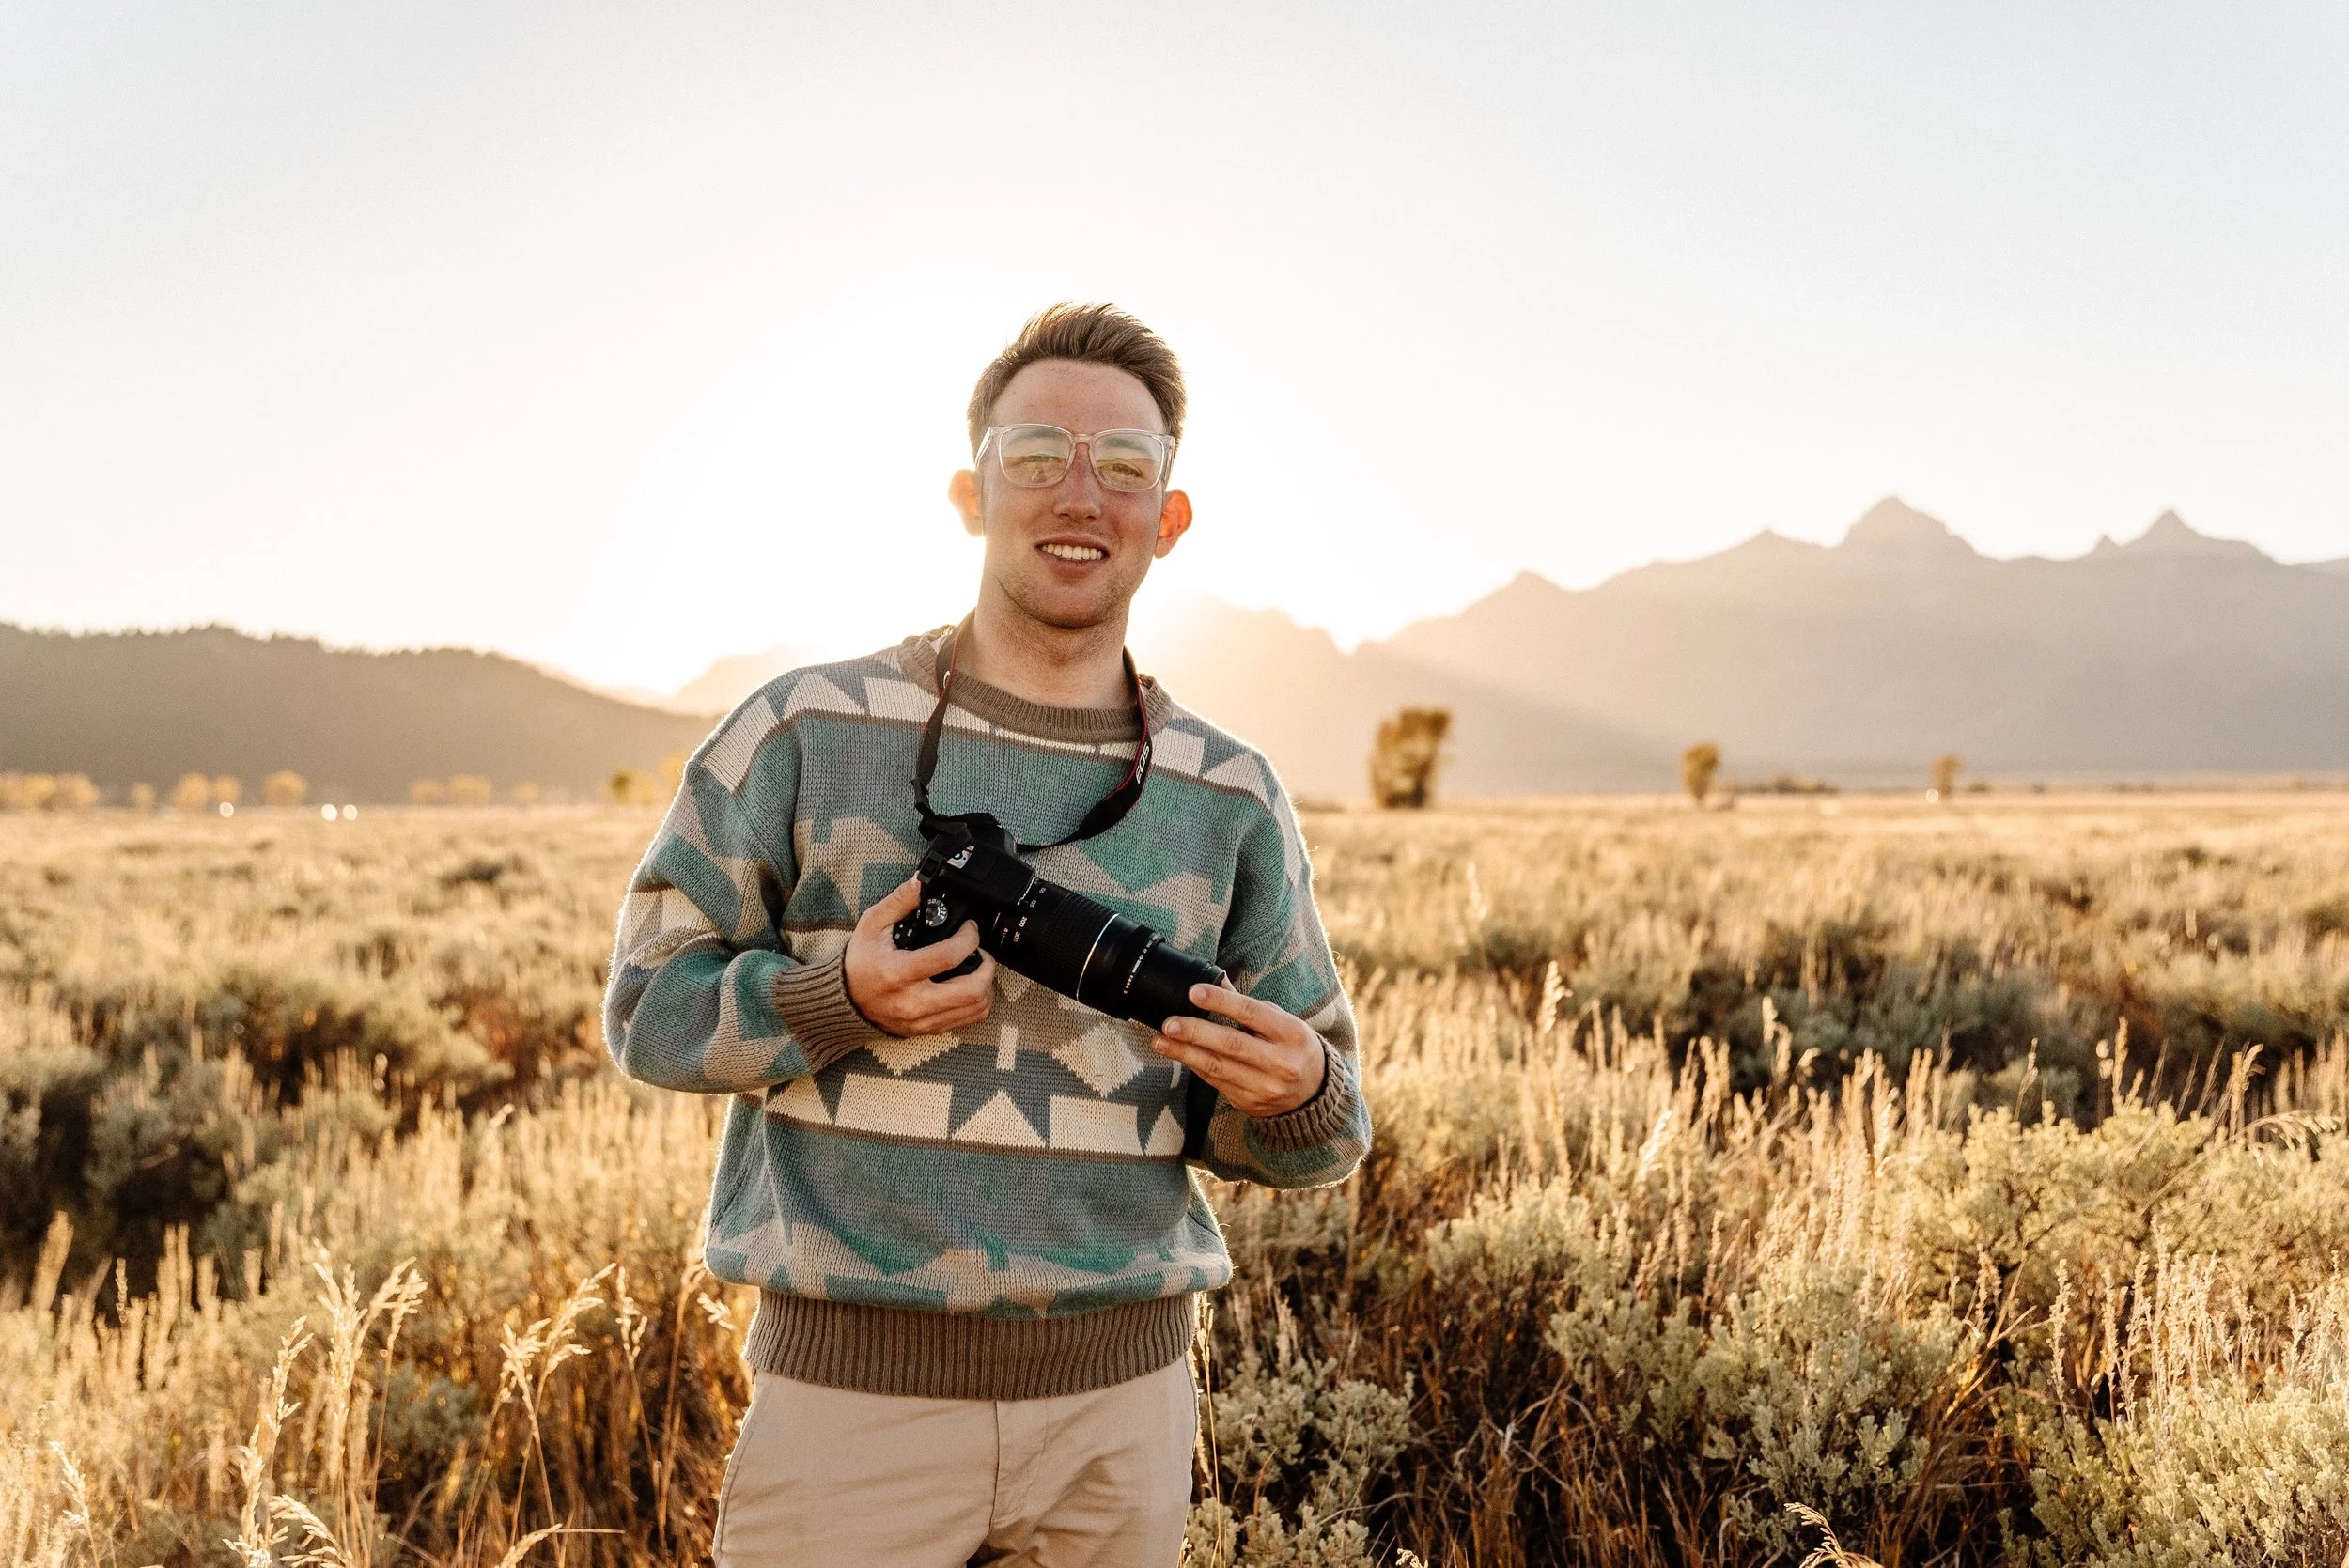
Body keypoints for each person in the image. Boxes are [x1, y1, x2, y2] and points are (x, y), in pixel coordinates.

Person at [603, 302, 1372, 1566]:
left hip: (1120, 1418)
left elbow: (1322, 1124)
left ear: (1169, 518)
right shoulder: (804, 732)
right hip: (853, 1411)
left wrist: (1291, 1092)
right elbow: (647, 1009)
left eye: (1126, 466)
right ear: (971, 495)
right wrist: (835, 991)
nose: (1082, 495)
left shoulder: (1227, 796)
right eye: (1038, 457)